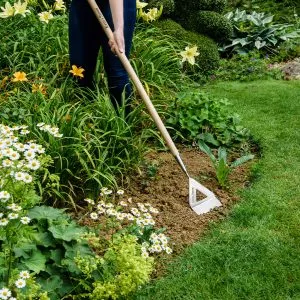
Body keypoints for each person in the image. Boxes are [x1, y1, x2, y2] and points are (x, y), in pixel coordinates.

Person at [69, 0, 136, 114]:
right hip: (84, 4)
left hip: (118, 5)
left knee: (116, 69)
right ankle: (86, 122)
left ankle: (122, 125)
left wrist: (118, 28)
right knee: (80, 67)